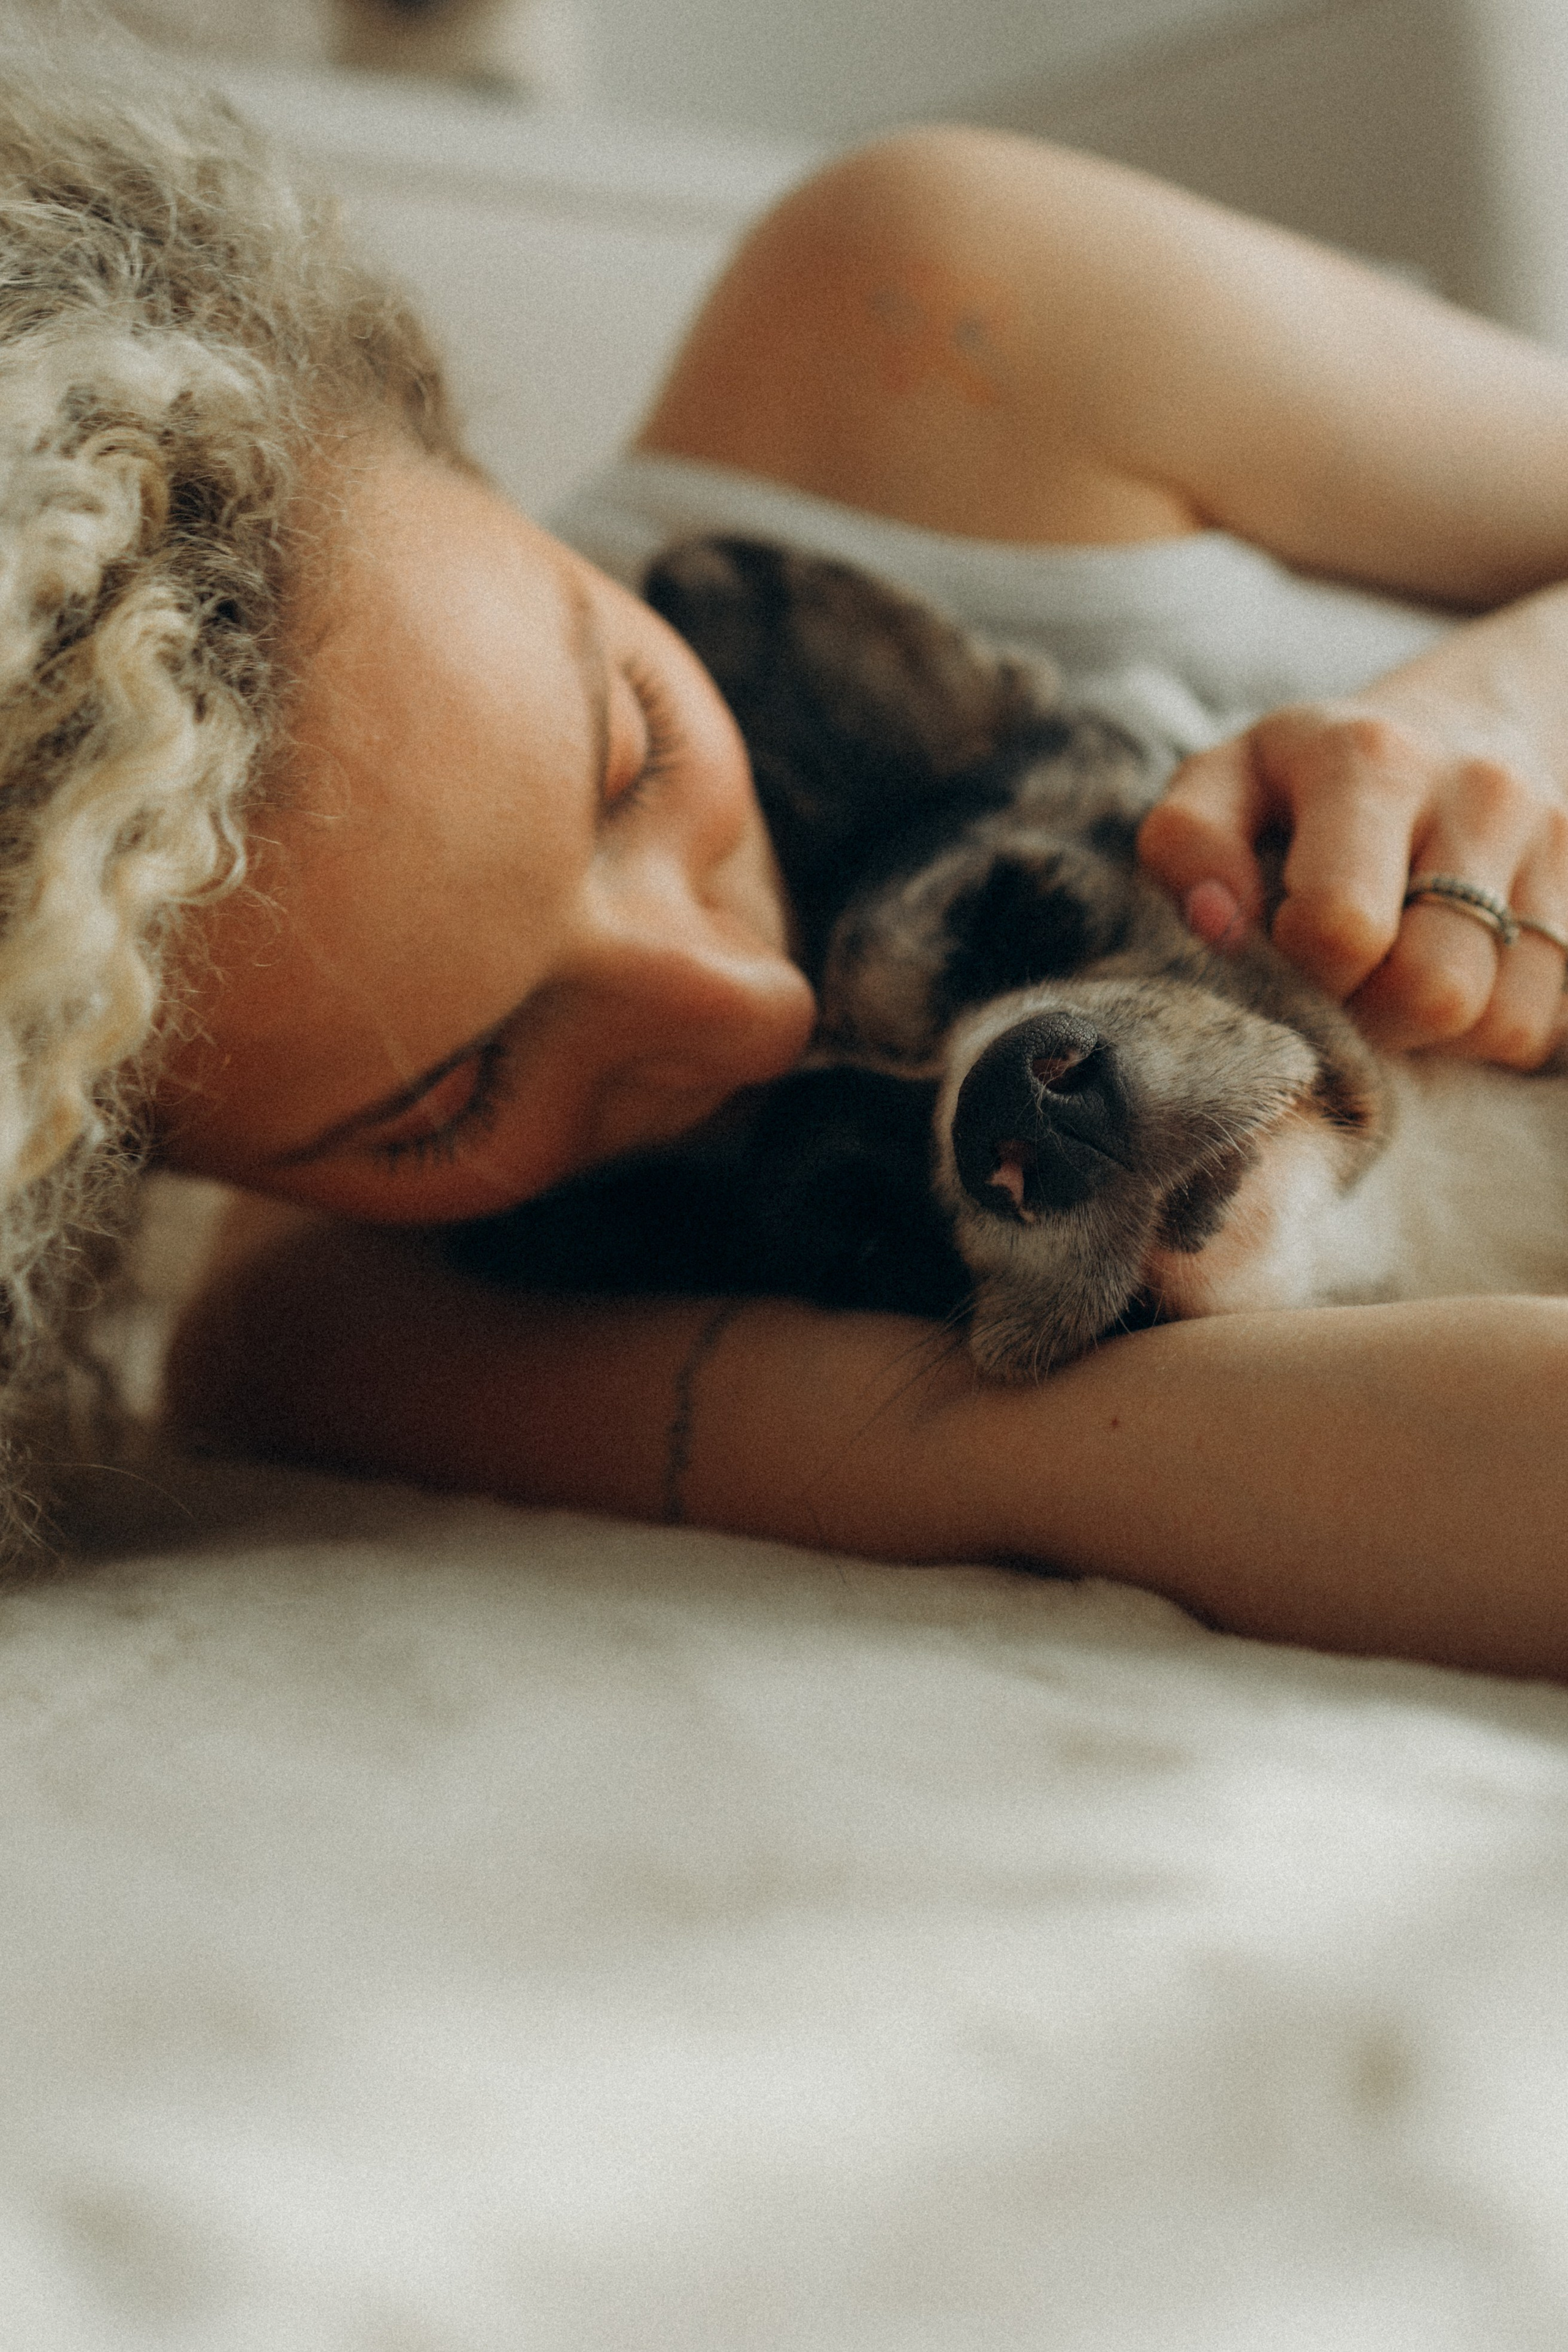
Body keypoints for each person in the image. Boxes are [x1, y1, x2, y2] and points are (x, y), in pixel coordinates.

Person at [2, 21, 1567, 1672]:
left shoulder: (924, 296)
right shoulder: (351, 1337)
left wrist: (1499, 710)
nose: (750, 1003)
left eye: (626, 758)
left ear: (438, 429)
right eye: (457, 1089)